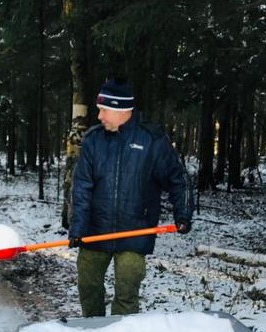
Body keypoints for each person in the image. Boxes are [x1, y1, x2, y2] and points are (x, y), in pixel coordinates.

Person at [68, 77, 193, 317]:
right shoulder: (94, 140)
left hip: (135, 231)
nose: (99, 116)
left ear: (120, 110)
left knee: (126, 293)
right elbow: (82, 187)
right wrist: (78, 229)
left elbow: (178, 180)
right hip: (95, 230)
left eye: (104, 110)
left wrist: (183, 213)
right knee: (88, 287)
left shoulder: (151, 140)